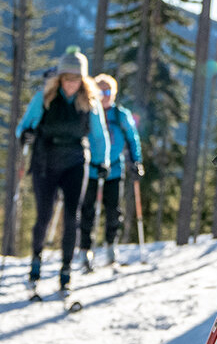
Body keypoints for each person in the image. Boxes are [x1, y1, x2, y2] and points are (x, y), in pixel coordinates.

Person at [15, 46, 109, 292]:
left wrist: (102, 162)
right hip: (45, 160)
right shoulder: (44, 98)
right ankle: (36, 259)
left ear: (83, 79)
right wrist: (25, 135)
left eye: (76, 79)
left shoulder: (90, 101)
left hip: (76, 162)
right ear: (60, 78)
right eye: (67, 79)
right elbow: (23, 127)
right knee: (44, 215)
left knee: (71, 216)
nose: (71, 84)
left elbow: (99, 136)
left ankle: (66, 268)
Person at [77, 73, 144, 270]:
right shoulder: (89, 111)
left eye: (107, 91)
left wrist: (136, 162)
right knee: (87, 210)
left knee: (113, 211)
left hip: (114, 169)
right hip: (90, 170)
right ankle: (85, 250)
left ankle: (110, 248)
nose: (104, 95)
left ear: (113, 93)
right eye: (100, 91)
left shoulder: (121, 115)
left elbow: (133, 139)